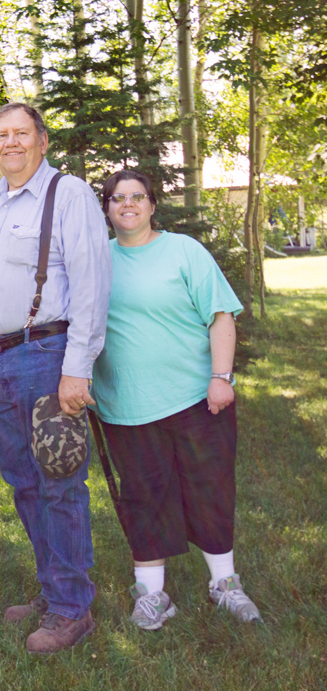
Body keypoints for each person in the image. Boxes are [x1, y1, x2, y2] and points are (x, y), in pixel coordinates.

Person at [0, 102, 112, 655]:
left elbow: (93, 283)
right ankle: (54, 590)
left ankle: (73, 608)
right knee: (23, 481)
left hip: (47, 356)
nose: (9, 143)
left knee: (59, 482)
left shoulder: (66, 194)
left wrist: (78, 366)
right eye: (0, 135)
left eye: (20, 134)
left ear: (42, 141)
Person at [92, 169, 262, 629]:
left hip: (195, 397)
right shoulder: (96, 260)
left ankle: (224, 584)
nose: (127, 204)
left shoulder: (184, 250)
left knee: (209, 487)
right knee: (144, 496)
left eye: (137, 196)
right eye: (116, 198)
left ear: (152, 205)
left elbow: (220, 317)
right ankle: (152, 595)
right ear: (106, 208)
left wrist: (221, 377)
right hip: (125, 405)